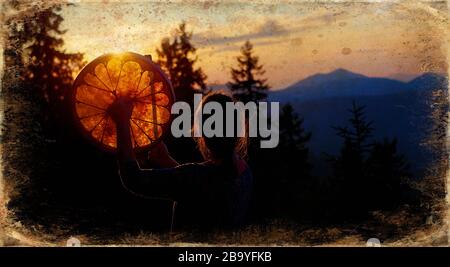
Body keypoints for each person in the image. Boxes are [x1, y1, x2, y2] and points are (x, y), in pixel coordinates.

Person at [108, 91, 253, 230]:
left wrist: (122, 121)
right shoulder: (244, 172)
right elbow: (197, 195)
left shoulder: (195, 177)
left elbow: (133, 178)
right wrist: (166, 161)